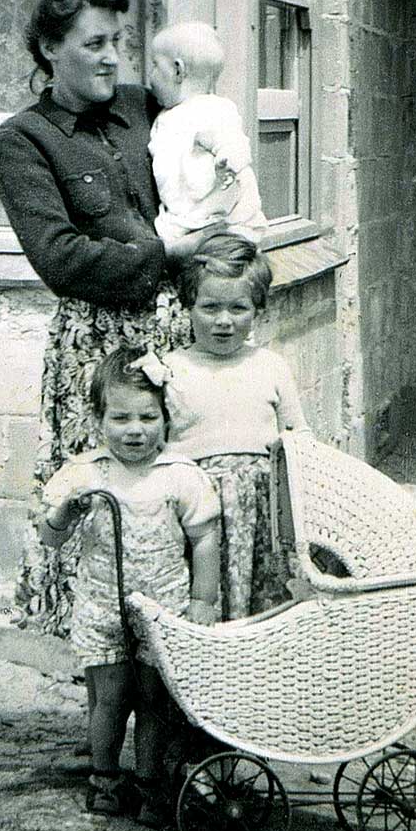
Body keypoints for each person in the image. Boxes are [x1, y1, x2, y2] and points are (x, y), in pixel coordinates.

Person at [0, 0, 215, 640]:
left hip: (180, 342)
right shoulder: (22, 140)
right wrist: (170, 253)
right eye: (95, 43)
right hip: (99, 353)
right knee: (104, 519)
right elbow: (60, 257)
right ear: (51, 49)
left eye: (119, 41)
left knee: (182, 507)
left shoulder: (149, 109)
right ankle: (109, 699)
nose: (114, 57)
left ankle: (181, 704)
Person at [38, 345, 221, 820]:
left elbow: (204, 538)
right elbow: (50, 538)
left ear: (166, 418)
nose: (135, 430)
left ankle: (150, 782)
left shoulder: (181, 475)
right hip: (103, 609)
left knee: (155, 701)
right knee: (111, 697)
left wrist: (203, 599)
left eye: (148, 417)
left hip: (162, 609)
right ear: (98, 418)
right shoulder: (87, 473)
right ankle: (104, 778)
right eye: (121, 418)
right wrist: (65, 513)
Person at [163, 234, 309, 620]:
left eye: (238, 308)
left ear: (258, 310)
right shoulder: (170, 369)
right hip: (196, 517)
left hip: (261, 515)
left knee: (263, 608)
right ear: (188, 307)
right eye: (210, 307)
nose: (224, 321)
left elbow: (299, 440)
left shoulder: (270, 366)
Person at [148, 20, 268, 247]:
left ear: (177, 70)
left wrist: (228, 159)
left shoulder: (211, 110)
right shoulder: (166, 116)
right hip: (185, 220)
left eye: (154, 65)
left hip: (223, 220)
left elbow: (233, 141)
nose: (150, 76)